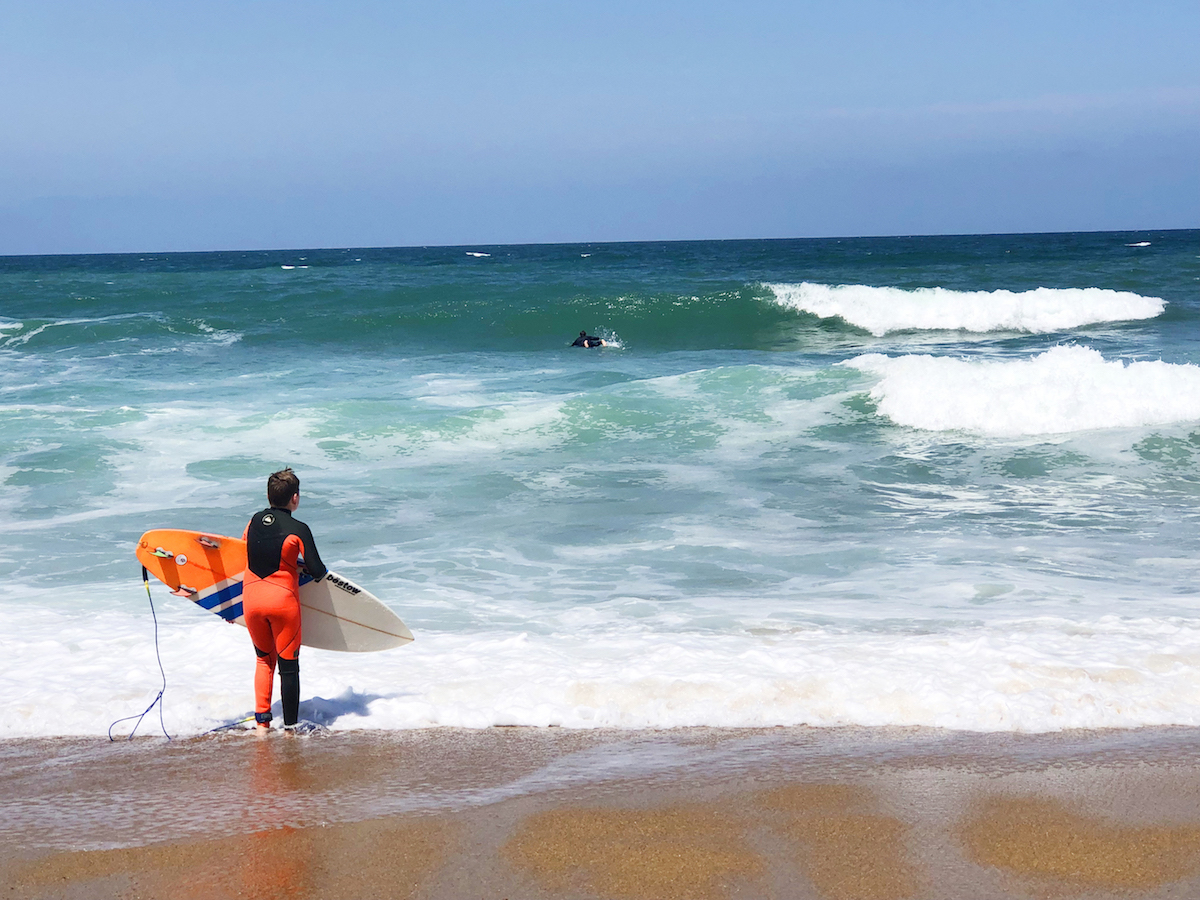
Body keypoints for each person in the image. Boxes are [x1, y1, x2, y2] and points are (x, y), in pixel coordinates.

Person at [242, 468, 327, 732]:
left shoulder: (253, 521)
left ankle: (262, 726)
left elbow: (242, 551)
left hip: (251, 601)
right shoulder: (299, 529)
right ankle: (290, 729)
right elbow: (318, 571)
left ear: (268, 496)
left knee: (263, 660)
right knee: (288, 667)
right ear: (295, 498)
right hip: (282, 602)